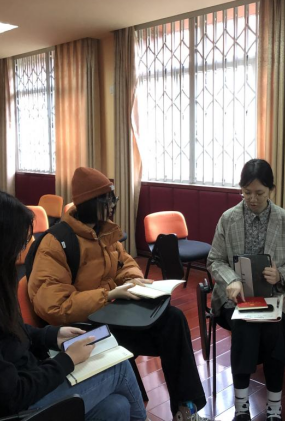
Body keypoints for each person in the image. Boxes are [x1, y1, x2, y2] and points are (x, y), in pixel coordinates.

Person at [0, 187, 146, 421]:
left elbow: (4, 332)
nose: (19, 255)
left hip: (17, 385)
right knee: (119, 367)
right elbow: (9, 397)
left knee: (117, 407)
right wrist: (67, 361)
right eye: (19, 245)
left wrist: (51, 335)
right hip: (3, 412)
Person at [28, 167, 207, 421]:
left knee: (173, 320)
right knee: (163, 327)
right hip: (85, 330)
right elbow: (54, 308)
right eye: (108, 201)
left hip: (112, 316)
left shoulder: (105, 232)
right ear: (90, 203)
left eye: (113, 200)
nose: (112, 206)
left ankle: (186, 410)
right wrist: (108, 293)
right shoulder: (56, 243)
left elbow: (125, 263)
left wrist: (134, 281)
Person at [207, 159, 285, 422]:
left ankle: (274, 406)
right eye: (246, 192)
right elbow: (214, 260)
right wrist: (230, 279)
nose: (252, 199)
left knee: (274, 328)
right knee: (244, 326)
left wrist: (280, 274)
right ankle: (241, 407)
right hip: (237, 298)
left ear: (271, 190)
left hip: (274, 297)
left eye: (259, 193)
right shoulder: (228, 219)